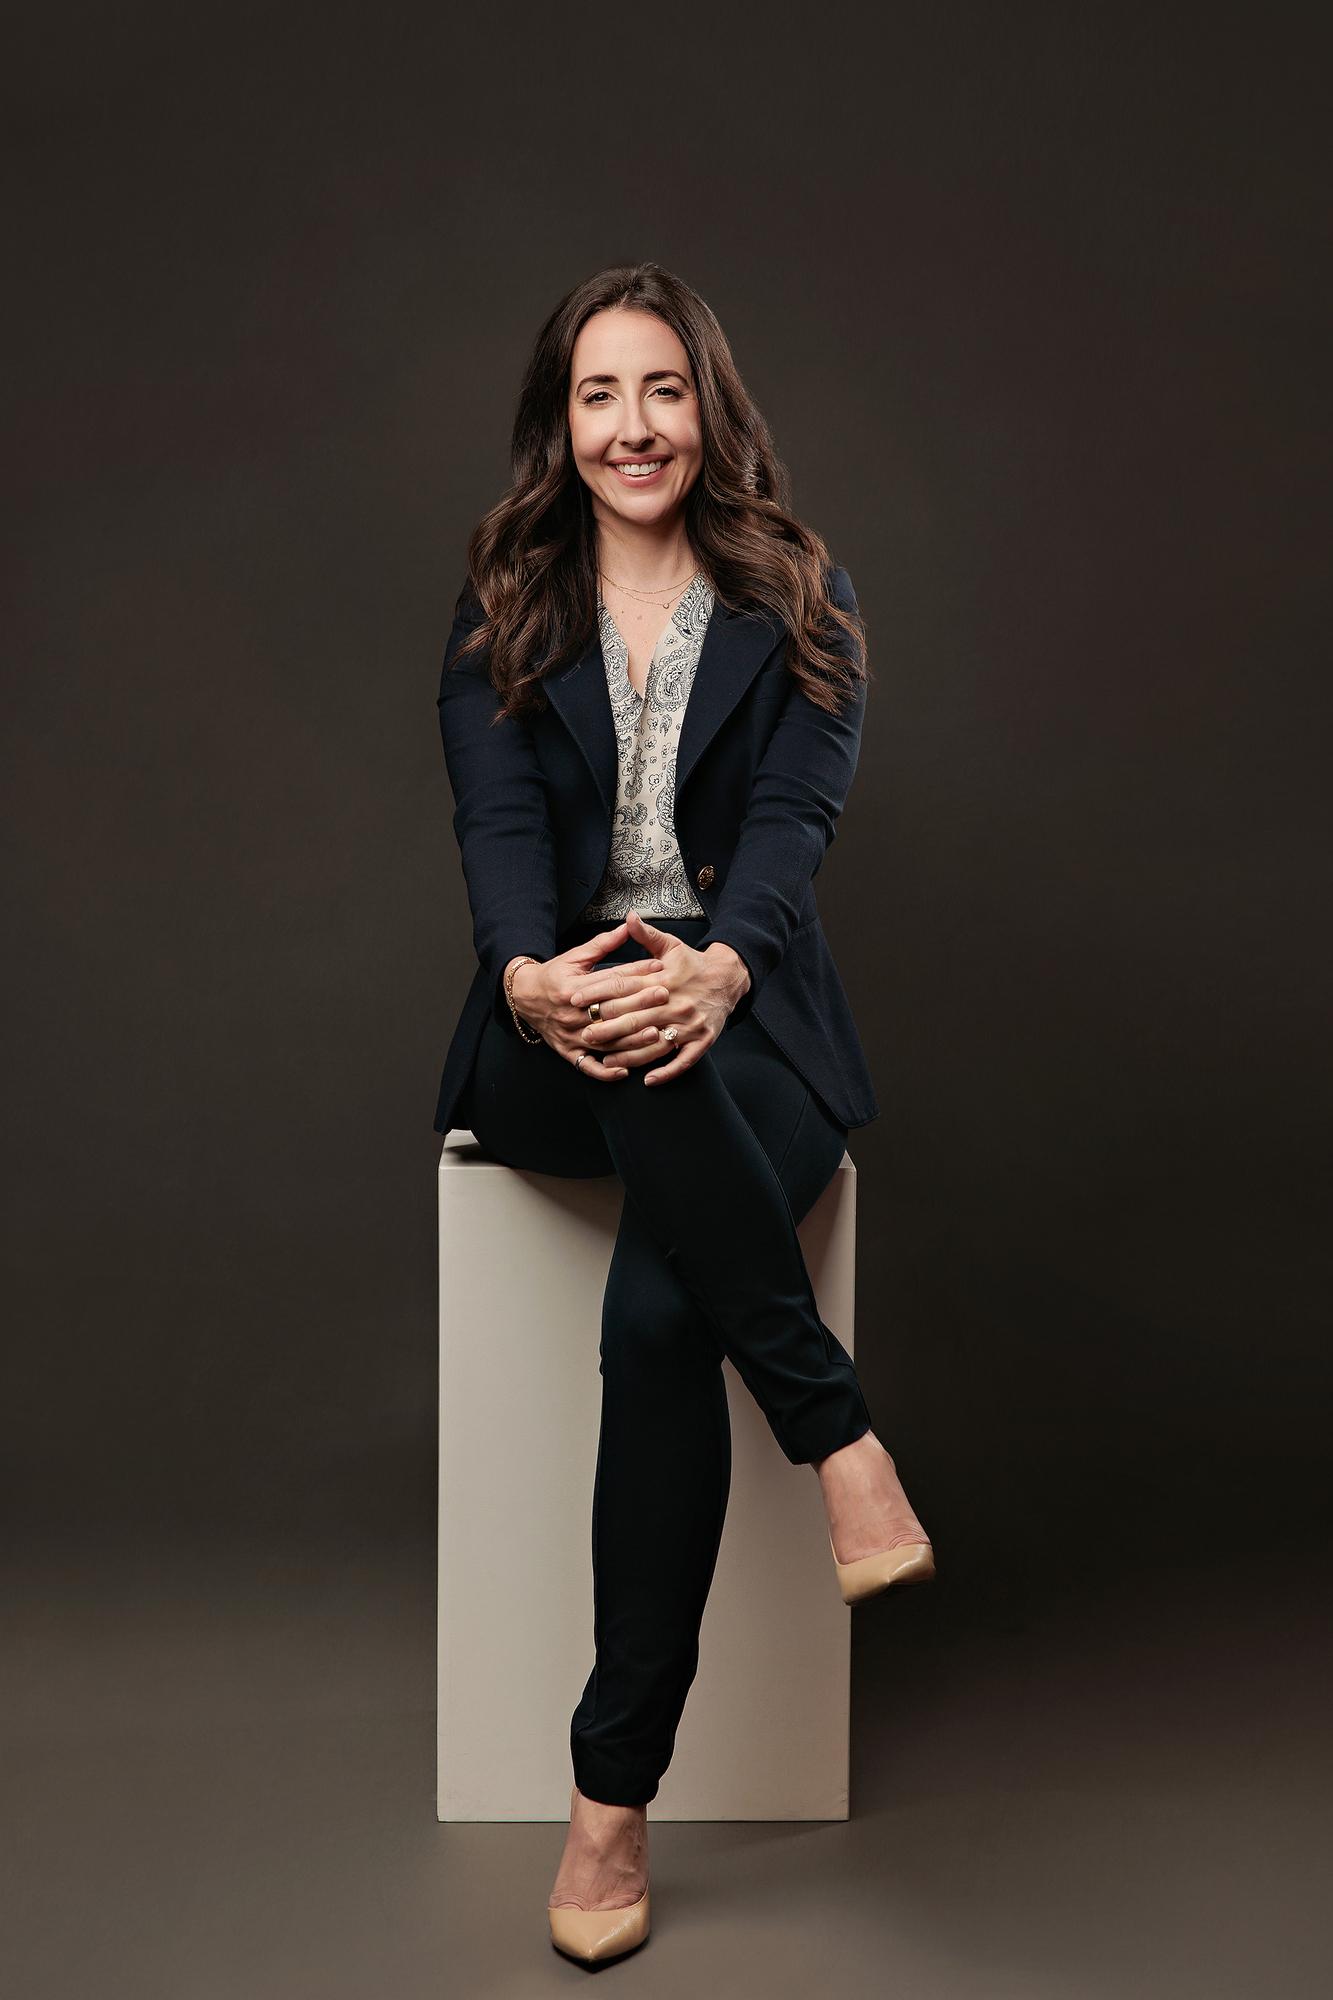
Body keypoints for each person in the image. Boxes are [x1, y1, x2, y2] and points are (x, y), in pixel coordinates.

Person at [433, 262, 935, 1967]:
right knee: (620, 1032)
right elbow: (496, 825)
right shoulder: (505, 601)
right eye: (596, 394)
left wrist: (715, 969)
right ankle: (841, 1442)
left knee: (661, 1313)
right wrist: (527, 973)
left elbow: (792, 828)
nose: (631, 425)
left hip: (748, 1024)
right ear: (559, 424)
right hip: (548, 1030)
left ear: (707, 408)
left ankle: (607, 1802)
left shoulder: (802, 594)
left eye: (661, 389)